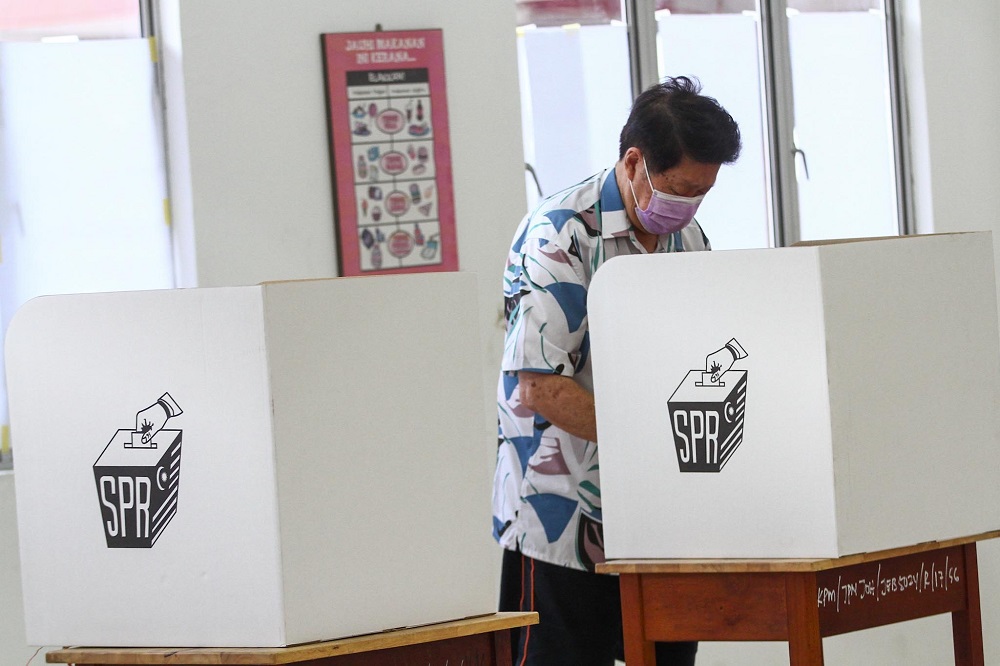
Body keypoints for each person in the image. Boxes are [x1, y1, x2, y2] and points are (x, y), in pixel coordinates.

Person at [493, 76, 741, 666]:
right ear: (634, 162)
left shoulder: (687, 237)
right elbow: (539, 385)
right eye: (680, 189)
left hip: (661, 519)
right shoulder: (561, 236)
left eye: (702, 193)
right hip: (561, 519)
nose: (688, 207)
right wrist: (652, 441)